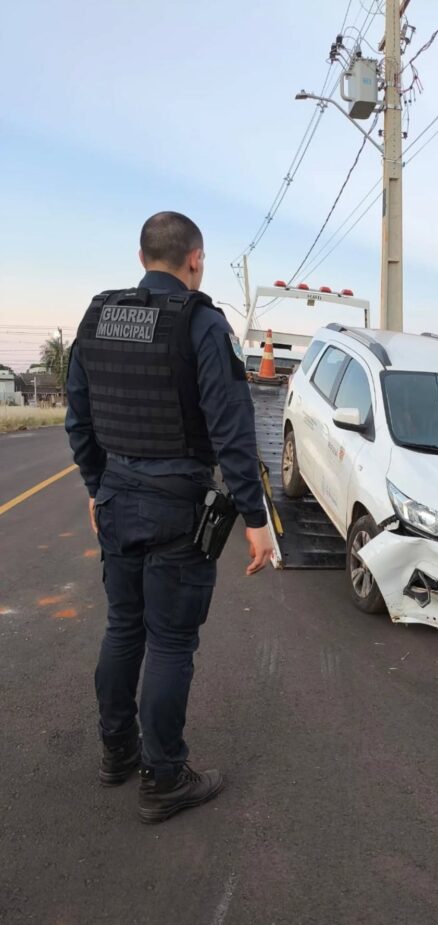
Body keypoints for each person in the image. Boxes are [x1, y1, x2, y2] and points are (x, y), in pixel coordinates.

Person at [65, 211, 274, 823]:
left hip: (117, 499)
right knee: (172, 642)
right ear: (196, 259)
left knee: (123, 629)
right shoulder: (203, 324)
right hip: (177, 505)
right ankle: (163, 778)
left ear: (141, 258)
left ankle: (116, 753)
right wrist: (255, 518)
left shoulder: (97, 316)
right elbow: (231, 430)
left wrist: (95, 485)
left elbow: (78, 416)